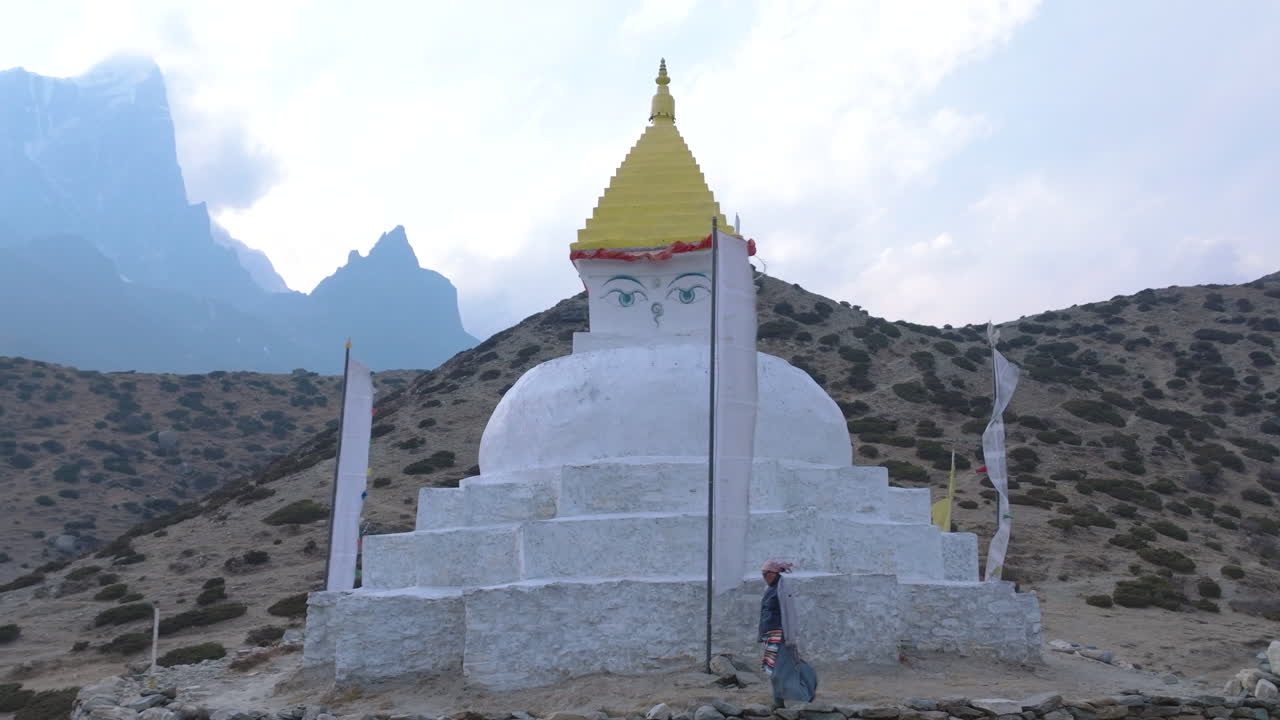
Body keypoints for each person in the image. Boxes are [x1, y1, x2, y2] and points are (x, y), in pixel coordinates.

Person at [758, 559, 817, 708]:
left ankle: (802, 698)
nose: (764, 577)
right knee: (774, 670)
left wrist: (790, 637)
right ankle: (778, 702)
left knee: (780, 670)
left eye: (767, 573)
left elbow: (789, 613)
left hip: (781, 636)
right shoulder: (769, 589)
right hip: (771, 637)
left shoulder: (783, 588)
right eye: (763, 574)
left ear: (775, 573)